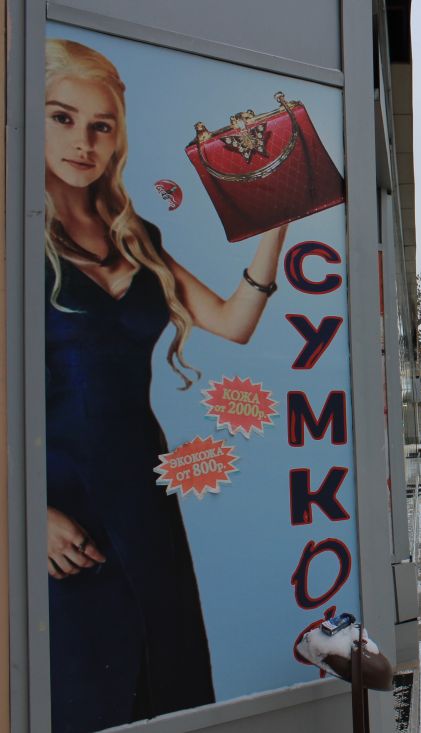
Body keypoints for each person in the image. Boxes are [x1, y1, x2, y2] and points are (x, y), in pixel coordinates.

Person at [42, 39, 291, 730]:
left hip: (145, 499)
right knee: (82, 695)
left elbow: (234, 322)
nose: (83, 142)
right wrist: (23, 513)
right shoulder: (14, 233)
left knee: (170, 683)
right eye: (62, 117)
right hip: (60, 513)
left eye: (101, 125)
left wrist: (275, 223)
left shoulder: (135, 235)